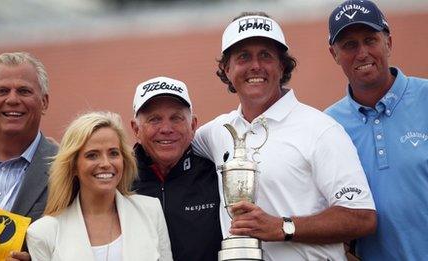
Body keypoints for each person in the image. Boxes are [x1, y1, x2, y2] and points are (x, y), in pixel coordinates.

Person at [192, 12, 377, 260]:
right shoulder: (215, 132)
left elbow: (362, 217)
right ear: (226, 68)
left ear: (282, 66)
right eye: (244, 56)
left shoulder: (321, 129)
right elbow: (166, 147)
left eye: (266, 55)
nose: (255, 66)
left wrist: (283, 227)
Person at [325, 1, 428, 260]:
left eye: (370, 40)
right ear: (333, 54)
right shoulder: (327, 126)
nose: (362, 53)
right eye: (349, 45)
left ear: (389, 43)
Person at [26, 111, 173, 261]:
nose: (105, 164)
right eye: (92, 155)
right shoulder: (43, 233)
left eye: (113, 153)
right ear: (73, 166)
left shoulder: (151, 211)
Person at [0, 52, 58, 261]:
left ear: (44, 102)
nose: (13, 99)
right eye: (2, 91)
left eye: (24, 91)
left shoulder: (68, 169)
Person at [131, 76, 222, 261]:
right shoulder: (119, 180)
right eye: (154, 119)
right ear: (136, 129)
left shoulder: (217, 175)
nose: (166, 128)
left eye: (176, 118)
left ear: (193, 125)